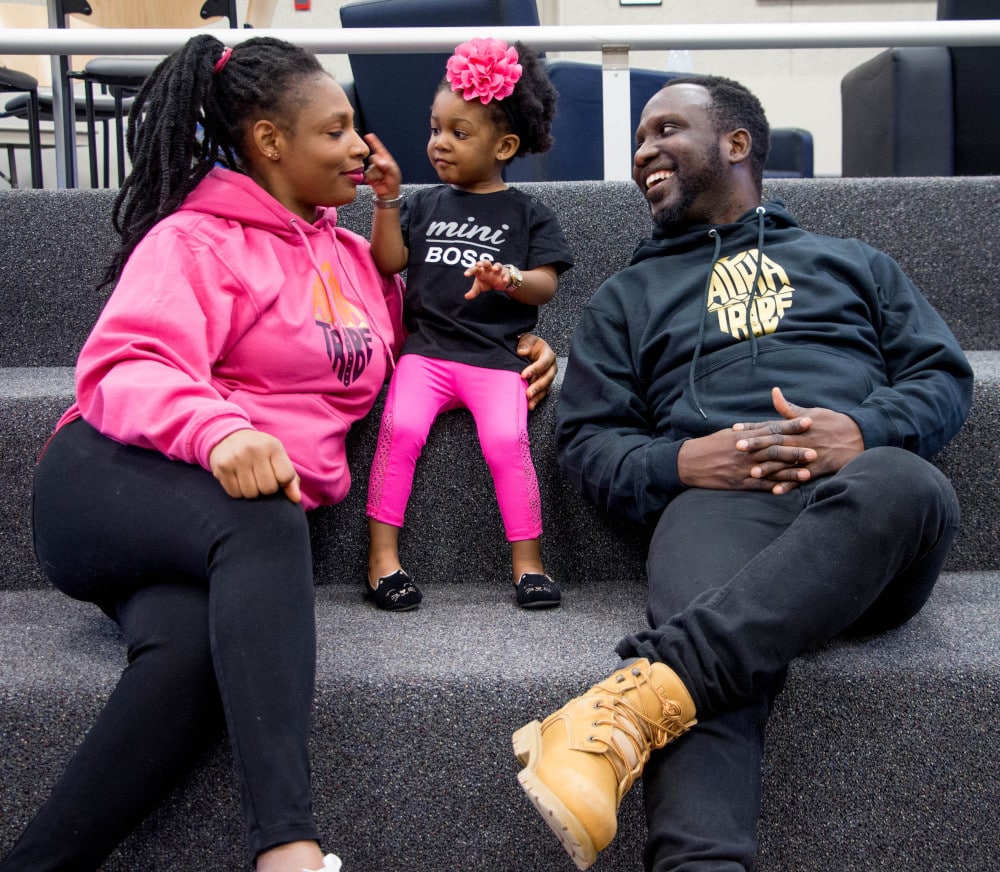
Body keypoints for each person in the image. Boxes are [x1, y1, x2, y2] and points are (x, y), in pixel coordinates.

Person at [0, 34, 556, 872]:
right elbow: (125, 366)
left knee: (191, 656)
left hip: (210, 534)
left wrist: (525, 349)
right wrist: (221, 430)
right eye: (334, 131)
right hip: (109, 481)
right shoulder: (197, 241)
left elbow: (420, 337)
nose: (361, 148)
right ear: (269, 142)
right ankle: (287, 849)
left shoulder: (352, 256)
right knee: (270, 513)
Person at [511, 75, 973, 871]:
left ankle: (640, 697)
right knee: (720, 636)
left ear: (735, 145)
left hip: (863, 513)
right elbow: (586, 443)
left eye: (666, 130)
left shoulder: (853, 264)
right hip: (717, 509)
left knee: (909, 483)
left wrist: (861, 430)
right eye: (639, 138)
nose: (643, 151)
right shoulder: (625, 298)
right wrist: (684, 460)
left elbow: (942, 379)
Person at [363, 38, 574, 611]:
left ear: (504, 145)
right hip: (426, 354)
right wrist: (387, 201)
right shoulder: (424, 204)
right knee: (399, 430)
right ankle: (383, 561)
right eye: (435, 129)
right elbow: (389, 263)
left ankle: (528, 565)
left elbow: (547, 284)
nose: (439, 144)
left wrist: (509, 277)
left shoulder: (530, 214)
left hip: (495, 358)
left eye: (460, 132)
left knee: (509, 442)